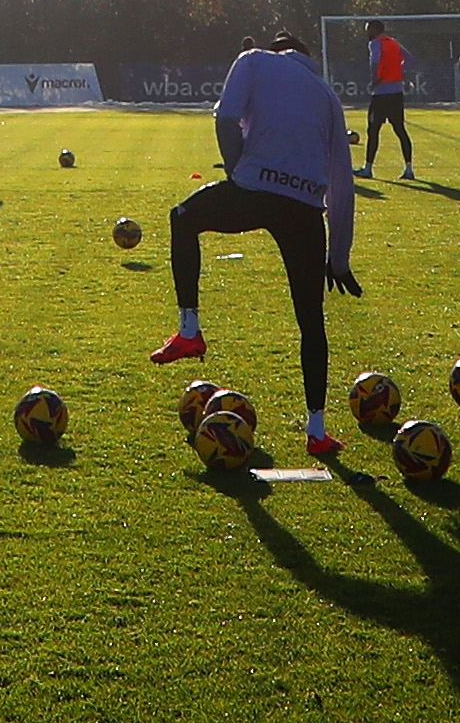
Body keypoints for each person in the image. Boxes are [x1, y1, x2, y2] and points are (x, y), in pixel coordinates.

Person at [151, 30, 357, 458]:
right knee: (311, 320)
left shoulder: (254, 60)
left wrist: (237, 171)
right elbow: (342, 182)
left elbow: (225, 118)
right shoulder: (326, 94)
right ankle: (317, 431)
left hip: (253, 188)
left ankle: (190, 330)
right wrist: (338, 257)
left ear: (277, 50)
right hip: (304, 207)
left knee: (183, 218)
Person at [357, 20, 415, 179]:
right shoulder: (393, 42)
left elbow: (375, 62)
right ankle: (409, 168)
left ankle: (368, 168)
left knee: (373, 130)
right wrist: (397, 70)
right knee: (400, 129)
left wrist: (375, 80)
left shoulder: (376, 43)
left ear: (375, 30)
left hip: (381, 93)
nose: (367, 33)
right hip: (396, 92)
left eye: (368, 29)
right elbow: (409, 59)